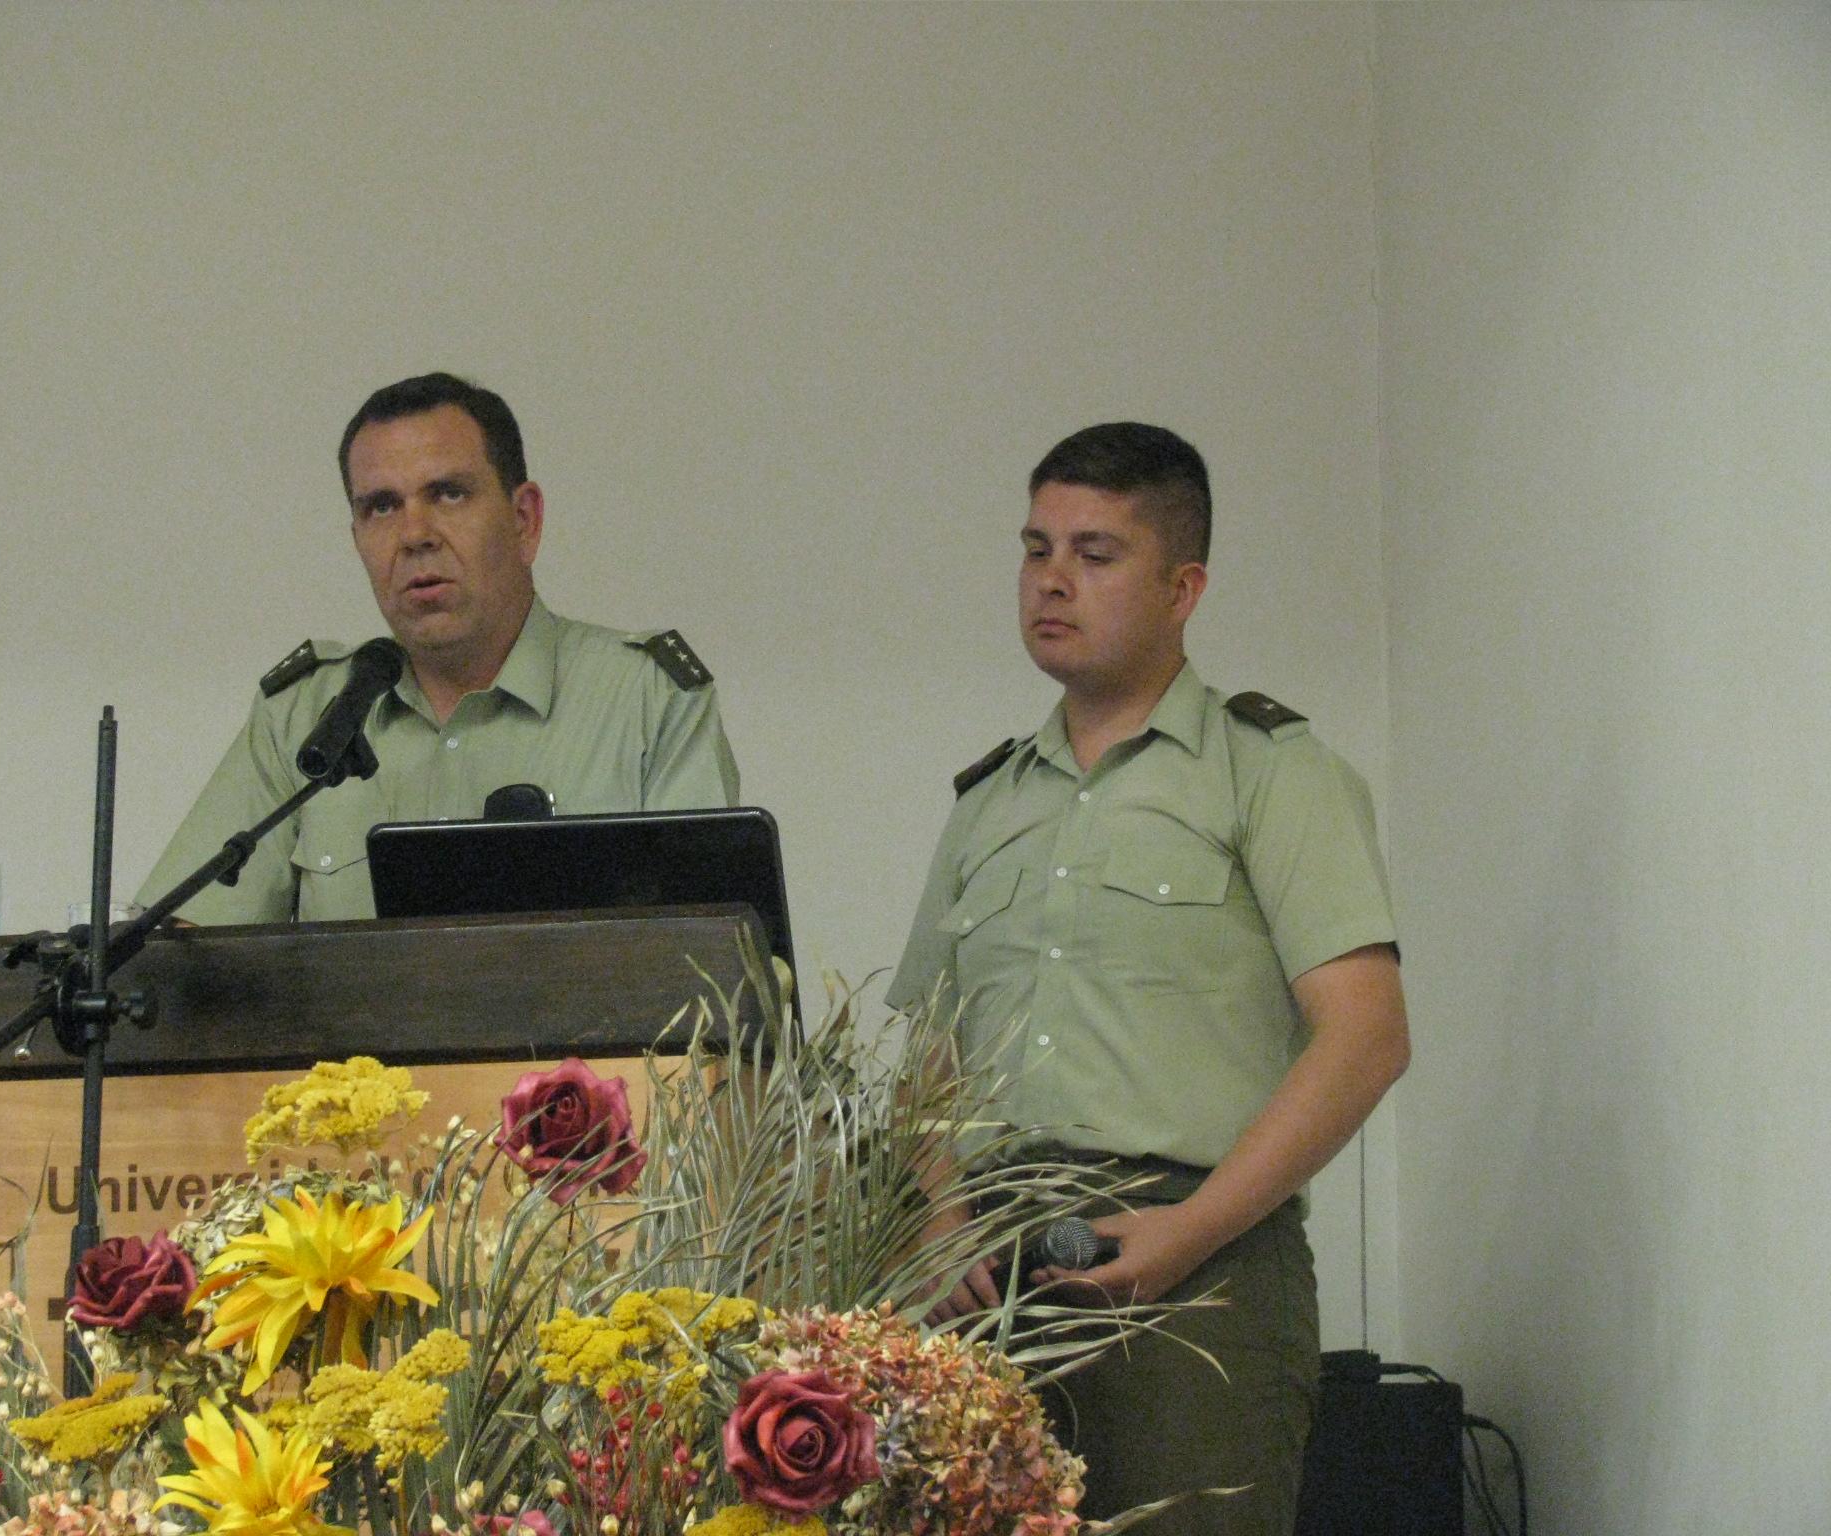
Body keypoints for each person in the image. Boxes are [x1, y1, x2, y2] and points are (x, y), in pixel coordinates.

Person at [886, 422, 1409, 1533]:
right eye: (1035, 549)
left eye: (1094, 552)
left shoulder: (1269, 775)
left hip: (1194, 1264)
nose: (1051, 581)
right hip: (987, 1271)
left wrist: (1196, 1226)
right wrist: (936, 1222)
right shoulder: (987, 804)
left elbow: (1364, 1037)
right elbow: (924, 1058)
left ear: (1182, 587)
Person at [137, 372, 739, 924]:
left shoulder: (649, 700)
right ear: (357, 539)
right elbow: (186, 962)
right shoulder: (304, 717)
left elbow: (706, 981)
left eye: (448, 494)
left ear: (524, 520)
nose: (415, 535)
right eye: (382, 507)